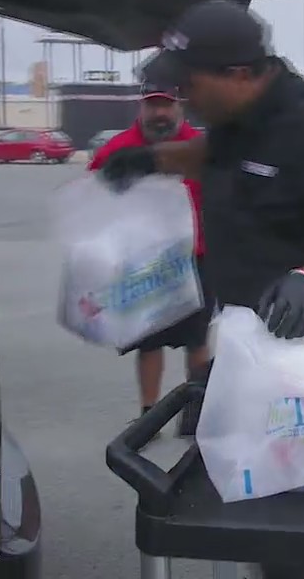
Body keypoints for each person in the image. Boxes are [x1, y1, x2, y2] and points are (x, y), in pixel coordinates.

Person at [97, 0, 304, 341]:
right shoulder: (234, 118)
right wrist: (152, 159)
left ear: (239, 75)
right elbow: (222, 158)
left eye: (188, 85)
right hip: (252, 338)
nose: (182, 96)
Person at [87, 86, 212, 435]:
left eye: (166, 106)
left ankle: (195, 410)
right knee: (149, 341)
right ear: (142, 107)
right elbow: (94, 196)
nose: (160, 113)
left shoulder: (199, 148)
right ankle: (149, 415)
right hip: (141, 262)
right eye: (153, 106)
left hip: (196, 258)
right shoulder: (118, 149)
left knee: (197, 339)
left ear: (179, 107)